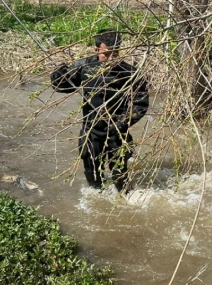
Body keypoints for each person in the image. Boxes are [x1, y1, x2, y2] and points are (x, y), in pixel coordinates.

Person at [50, 29, 149, 192]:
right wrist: (58, 76)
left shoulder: (129, 73)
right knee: (94, 179)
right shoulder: (84, 67)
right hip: (91, 131)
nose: (111, 59)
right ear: (96, 50)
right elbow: (63, 86)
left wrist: (122, 122)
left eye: (115, 53)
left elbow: (140, 104)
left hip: (118, 131)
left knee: (121, 180)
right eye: (107, 54)